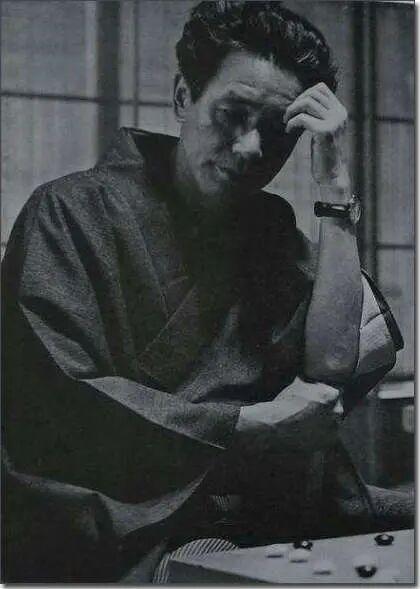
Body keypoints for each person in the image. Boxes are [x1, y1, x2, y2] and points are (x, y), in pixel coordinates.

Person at [2, 0, 412, 583]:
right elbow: (59, 396)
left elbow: (330, 369)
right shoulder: (69, 212)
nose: (250, 149)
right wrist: (245, 425)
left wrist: (335, 192)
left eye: (278, 132)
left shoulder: (271, 231)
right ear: (182, 98)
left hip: (266, 501)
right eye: (232, 115)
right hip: (125, 515)